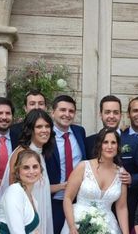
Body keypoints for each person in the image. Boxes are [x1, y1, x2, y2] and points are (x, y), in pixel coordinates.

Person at [85, 95, 138, 229]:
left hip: (126, 207)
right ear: (100, 114)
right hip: (94, 210)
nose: (111, 116)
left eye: (115, 112)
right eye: (107, 112)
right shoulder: (89, 142)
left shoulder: (134, 142)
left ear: (121, 115)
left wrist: (132, 178)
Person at [0, 109, 56, 234]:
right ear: (30, 130)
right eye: (39, 126)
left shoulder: (39, 152)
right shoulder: (21, 153)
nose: (44, 130)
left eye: (47, 126)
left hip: (38, 209)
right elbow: (14, 190)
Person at [63, 128, 129, 234]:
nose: (110, 146)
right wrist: (72, 227)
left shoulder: (122, 173)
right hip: (78, 223)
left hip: (107, 227)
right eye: (105, 142)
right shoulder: (83, 167)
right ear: (99, 145)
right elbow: (67, 198)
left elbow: (121, 207)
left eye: (113, 142)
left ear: (118, 146)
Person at [46, 95, 87, 234]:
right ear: (53, 112)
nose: (67, 114)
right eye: (62, 110)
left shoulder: (79, 132)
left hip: (79, 201)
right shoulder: (46, 136)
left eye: (71, 111)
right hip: (54, 201)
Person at [0, 149, 42, 234]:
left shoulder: (33, 199)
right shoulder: (14, 191)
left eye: (35, 166)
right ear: (18, 171)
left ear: (40, 169)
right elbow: (17, 231)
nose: (31, 171)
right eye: (26, 167)